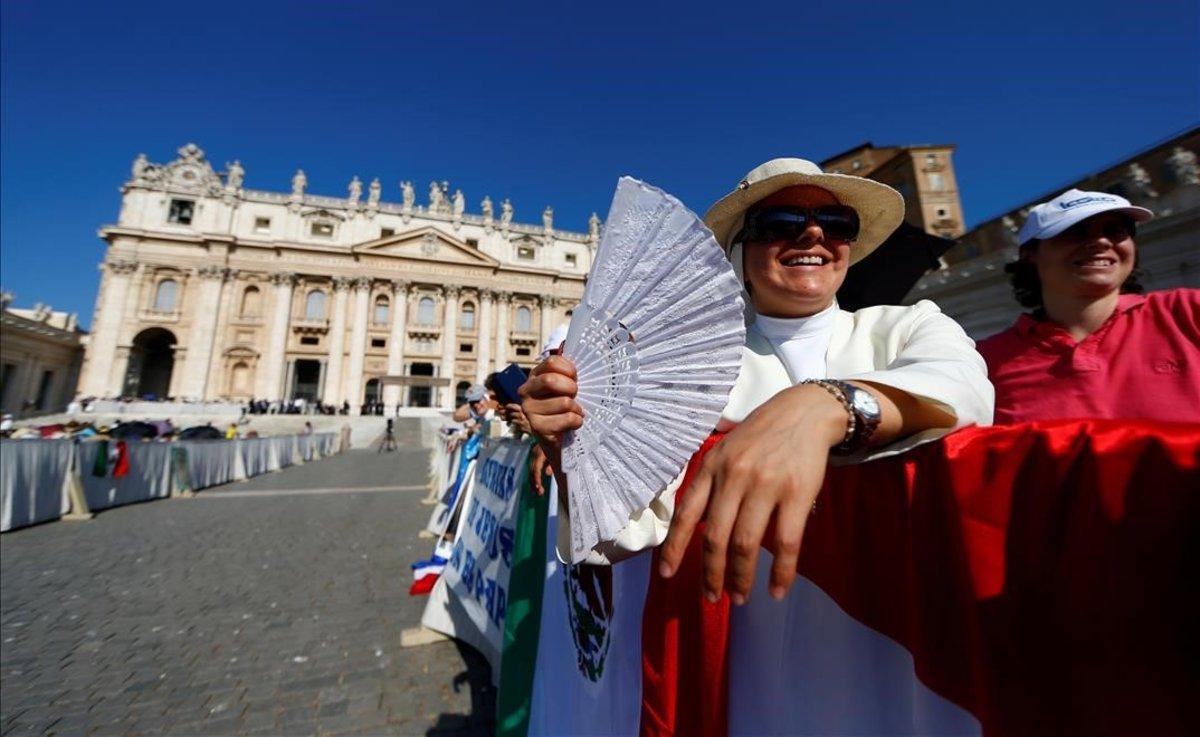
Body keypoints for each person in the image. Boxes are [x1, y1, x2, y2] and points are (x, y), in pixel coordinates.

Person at [521, 158, 993, 731]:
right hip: (750, 657)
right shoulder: (681, 373)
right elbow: (625, 529)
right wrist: (567, 449)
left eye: (835, 222)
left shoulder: (911, 325)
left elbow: (964, 389)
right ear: (741, 251)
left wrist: (824, 404)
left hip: (892, 638)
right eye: (782, 220)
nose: (813, 234)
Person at [978, 189, 1200, 424]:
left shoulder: (1188, 312)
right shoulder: (983, 361)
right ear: (1030, 254)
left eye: (1115, 231)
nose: (1101, 241)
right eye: (1075, 232)